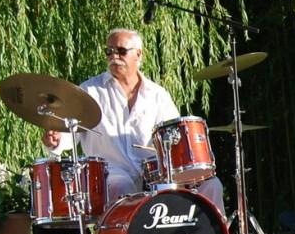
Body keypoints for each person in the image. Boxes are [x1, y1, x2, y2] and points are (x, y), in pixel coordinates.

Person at [41, 28, 224, 213]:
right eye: (109, 51)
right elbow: (69, 131)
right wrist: (56, 140)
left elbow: (176, 136)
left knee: (211, 184)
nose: (114, 57)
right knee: (121, 185)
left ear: (139, 54)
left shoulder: (157, 95)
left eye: (121, 51)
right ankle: (119, 232)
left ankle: (213, 231)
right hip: (110, 172)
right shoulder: (89, 91)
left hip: (155, 173)